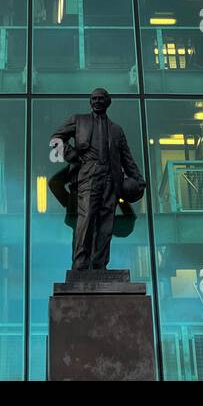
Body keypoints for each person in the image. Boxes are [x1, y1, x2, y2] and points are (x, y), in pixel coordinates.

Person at [50, 88, 145, 271]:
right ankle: (80, 264)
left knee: (106, 224)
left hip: (111, 180)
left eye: (101, 98)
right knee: (86, 220)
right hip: (88, 177)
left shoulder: (117, 130)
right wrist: (73, 157)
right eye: (94, 98)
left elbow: (127, 159)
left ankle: (100, 265)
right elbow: (56, 139)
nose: (97, 101)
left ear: (108, 102)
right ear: (90, 102)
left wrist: (138, 179)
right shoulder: (79, 121)